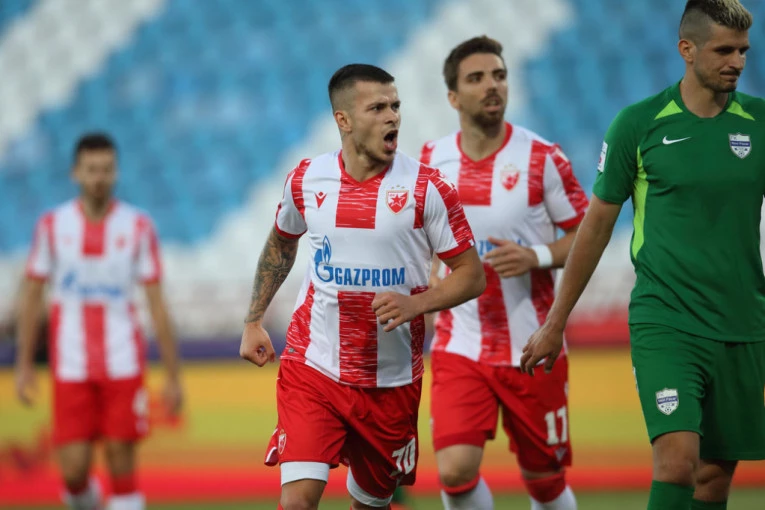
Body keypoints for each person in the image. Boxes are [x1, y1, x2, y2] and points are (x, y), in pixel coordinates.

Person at [521, 1, 764, 509]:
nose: (737, 62)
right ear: (686, 50)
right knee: (677, 462)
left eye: (743, 51)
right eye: (724, 50)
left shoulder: (759, 123)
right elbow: (595, 227)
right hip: (666, 320)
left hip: (743, 322)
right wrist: (555, 321)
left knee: (714, 479)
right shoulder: (639, 124)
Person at [239, 63, 486, 510]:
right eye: (377, 108)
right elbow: (281, 242)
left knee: (371, 505)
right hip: (315, 366)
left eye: (395, 106)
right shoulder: (306, 179)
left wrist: (417, 304)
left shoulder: (428, 188)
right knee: (297, 502)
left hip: (391, 382)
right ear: (344, 120)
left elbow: (472, 274)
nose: (392, 116)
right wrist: (254, 320)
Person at [421, 36, 588, 510]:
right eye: (476, 78)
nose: (491, 85)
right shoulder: (432, 160)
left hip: (531, 345)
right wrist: (428, 275)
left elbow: (585, 236)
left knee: (544, 481)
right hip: (460, 342)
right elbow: (423, 234)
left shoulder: (543, 157)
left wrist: (536, 256)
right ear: (453, 97)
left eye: (498, 75)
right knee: (454, 471)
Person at [15, 133, 183, 510]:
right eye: (91, 169)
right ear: (75, 173)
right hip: (70, 365)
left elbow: (157, 303)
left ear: (116, 172)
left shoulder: (138, 226)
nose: (99, 178)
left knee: (122, 464)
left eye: (106, 169)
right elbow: (32, 296)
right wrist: (24, 365)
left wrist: (173, 375)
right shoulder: (52, 226)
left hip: (122, 363)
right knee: (73, 472)